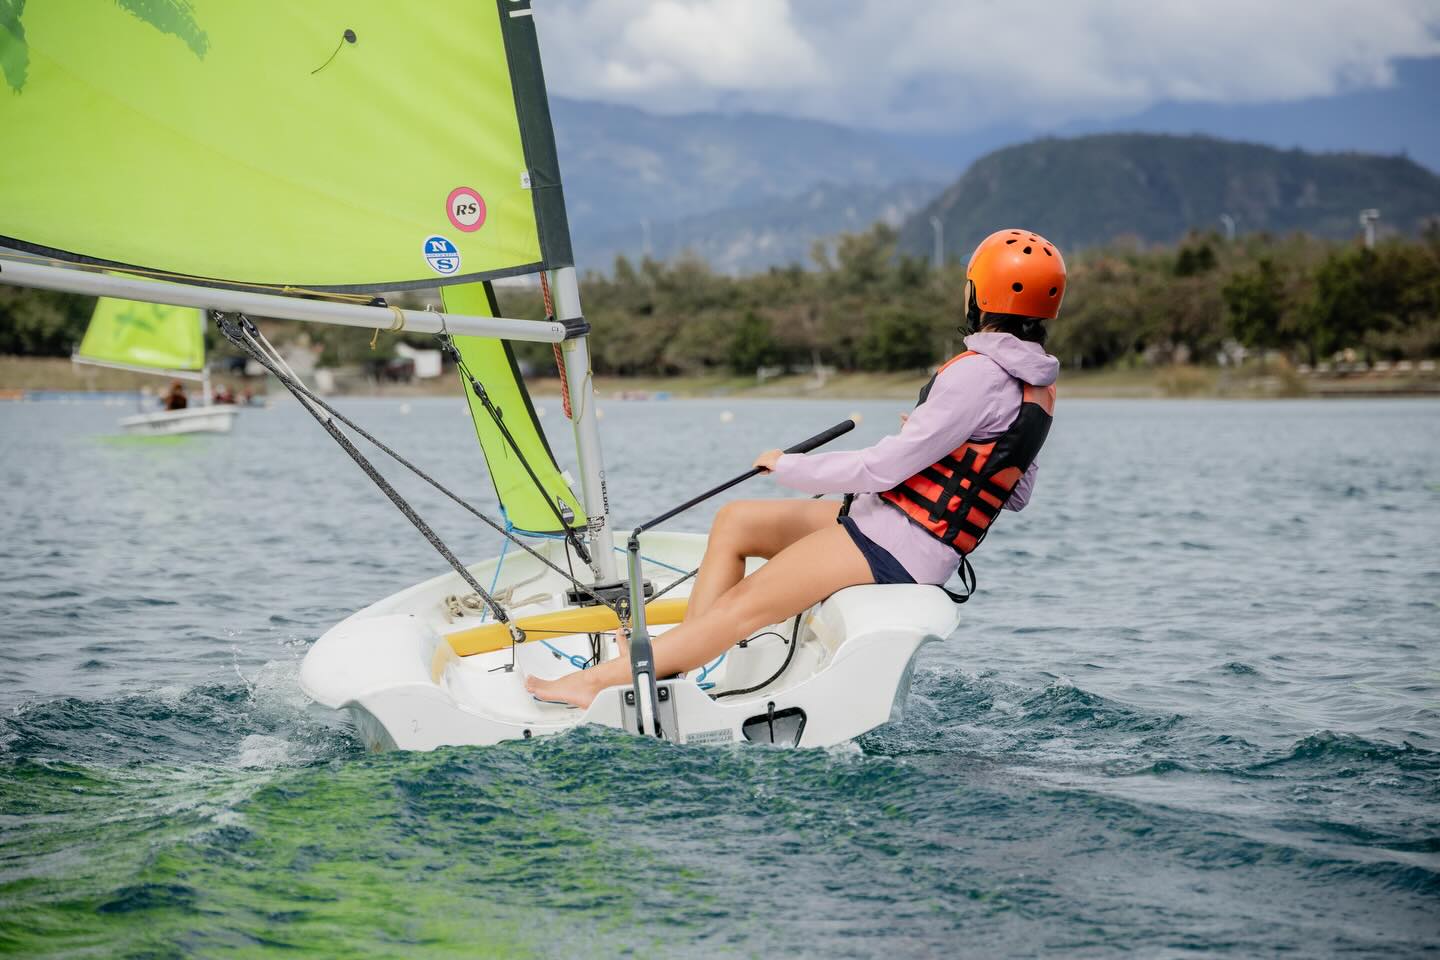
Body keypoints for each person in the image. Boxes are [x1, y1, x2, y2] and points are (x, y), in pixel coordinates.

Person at [526, 228, 1065, 709]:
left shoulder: (975, 377)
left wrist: (790, 464)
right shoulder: (1038, 387)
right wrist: (938, 440)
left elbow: (879, 469)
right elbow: (1013, 492)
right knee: (737, 521)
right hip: (899, 531)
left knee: (743, 605)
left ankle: (595, 684)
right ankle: (670, 663)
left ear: (979, 295)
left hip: (898, 544)